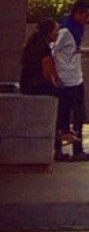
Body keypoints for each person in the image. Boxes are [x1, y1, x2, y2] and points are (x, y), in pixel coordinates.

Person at [53, 0, 89, 162]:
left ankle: (78, 149)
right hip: (66, 80)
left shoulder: (78, 29)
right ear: (76, 13)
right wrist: (56, 75)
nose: (87, 19)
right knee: (62, 117)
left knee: (79, 116)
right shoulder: (65, 31)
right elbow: (52, 50)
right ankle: (57, 150)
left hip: (76, 77)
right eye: (84, 15)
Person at [20, 18, 70, 161]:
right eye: (56, 30)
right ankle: (62, 134)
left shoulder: (33, 44)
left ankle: (61, 135)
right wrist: (57, 83)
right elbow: (47, 74)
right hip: (36, 86)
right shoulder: (44, 48)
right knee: (63, 98)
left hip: (28, 85)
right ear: (49, 32)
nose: (58, 33)